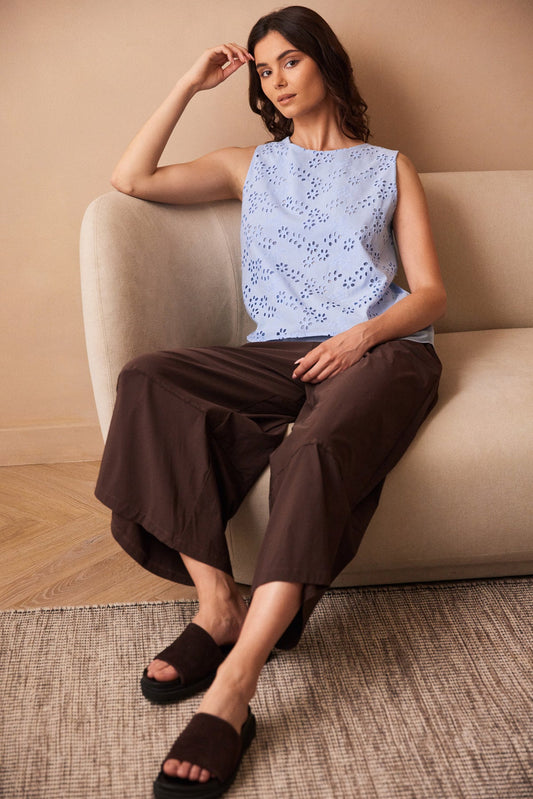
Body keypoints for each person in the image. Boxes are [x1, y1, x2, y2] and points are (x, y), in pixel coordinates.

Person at [95, 6, 446, 797]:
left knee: (312, 449)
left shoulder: (389, 166)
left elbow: (429, 293)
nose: (276, 79)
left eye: (290, 60)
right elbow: (131, 178)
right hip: (281, 352)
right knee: (147, 377)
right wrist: (189, 83)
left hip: (382, 349)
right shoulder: (248, 165)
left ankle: (235, 684)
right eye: (263, 69)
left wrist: (361, 337)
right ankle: (217, 604)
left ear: (325, 62)